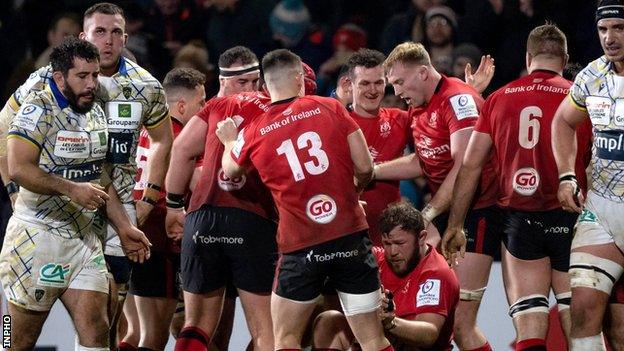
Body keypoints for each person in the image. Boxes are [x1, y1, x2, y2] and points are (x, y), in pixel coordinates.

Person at [217, 48, 392, 351]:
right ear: (299, 78)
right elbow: (365, 167)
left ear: (265, 86)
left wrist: (230, 139)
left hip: (301, 246)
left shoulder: (256, 128)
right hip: (349, 236)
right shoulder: (331, 108)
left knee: (285, 338)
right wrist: (352, 192)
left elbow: (231, 170)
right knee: (373, 338)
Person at [444, 24, 593, 350]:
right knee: (577, 328)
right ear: (565, 58)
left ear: (528, 58)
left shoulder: (499, 99)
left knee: (529, 324)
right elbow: (594, 164)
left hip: (520, 221)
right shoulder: (580, 98)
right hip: (571, 218)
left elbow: (470, 166)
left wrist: (455, 224)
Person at [1, 37, 151, 351]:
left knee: (98, 330)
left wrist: (124, 228)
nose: (91, 83)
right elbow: (17, 167)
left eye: (95, 75)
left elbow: (101, 176)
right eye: (82, 76)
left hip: (84, 241)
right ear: (59, 78)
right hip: (37, 239)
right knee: (15, 339)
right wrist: (71, 189)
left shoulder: (96, 107)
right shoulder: (37, 109)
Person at [374, 42, 499, 351]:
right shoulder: (419, 106)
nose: (397, 90)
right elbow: (422, 161)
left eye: (400, 82)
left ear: (423, 71)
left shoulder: (457, 99)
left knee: (460, 323)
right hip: (447, 214)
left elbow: (465, 166)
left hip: (476, 211)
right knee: (440, 319)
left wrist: (426, 215)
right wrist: (373, 172)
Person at [164, 46, 275, 351]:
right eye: (243, 83)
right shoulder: (271, 108)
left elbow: (182, 149)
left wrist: (173, 205)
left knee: (197, 324)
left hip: (202, 221)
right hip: (251, 220)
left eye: (256, 81)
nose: (251, 89)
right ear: (223, 81)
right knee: (266, 330)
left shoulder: (212, 107)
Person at [551, 1, 624, 349]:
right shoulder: (591, 76)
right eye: (603, 29)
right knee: (581, 312)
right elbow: (563, 121)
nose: (610, 38)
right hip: (603, 210)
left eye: (619, 28)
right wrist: (567, 174)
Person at [128, 67, 206, 351]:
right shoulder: (182, 138)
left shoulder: (140, 129)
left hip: (131, 230)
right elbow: (199, 185)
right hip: (159, 237)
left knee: (132, 332)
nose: (204, 109)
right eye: (201, 103)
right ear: (182, 106)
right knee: (155, 336)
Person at [313, 201, 459, 350]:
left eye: (400, 243)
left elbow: (429, 335)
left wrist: (391, 322)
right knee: (328, 322)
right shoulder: (378, 260)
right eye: (387, 244)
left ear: (421, 238)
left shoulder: (436, 273)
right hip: (385, 344)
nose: (393, 252)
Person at [345, 48, 412, 246]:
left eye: (378, 83)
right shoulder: (336, 123)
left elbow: (438, 130)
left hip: (391, 234)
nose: (373, 90)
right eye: (365, 83)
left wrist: (470, 92)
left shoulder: (401, 119)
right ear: (350, 85)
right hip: (349, 231)